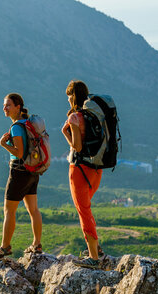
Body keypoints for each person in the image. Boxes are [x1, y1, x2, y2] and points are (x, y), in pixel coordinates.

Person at [0, 93, 43, 259]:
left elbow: (20, 153)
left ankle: (5, 247)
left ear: (18, 107)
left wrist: (3, 144)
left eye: (8, 105)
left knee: (9, 211)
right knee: (33, 209)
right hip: (33, 171)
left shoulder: (16, 127)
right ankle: (36, 244)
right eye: (4, 105)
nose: (4, 108)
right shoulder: (27, 124)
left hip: (19, 171)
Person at [61, 80, 103, 268]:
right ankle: (95, 248)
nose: (68, 99)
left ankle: (94, 258)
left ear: (72, 96)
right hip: (96, 167)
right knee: (87, 207)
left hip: (79, 169)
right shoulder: (94, 113)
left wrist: (66, 134)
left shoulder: (75, 117)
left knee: (83, 211)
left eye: (69, 96)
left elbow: (77, 146)